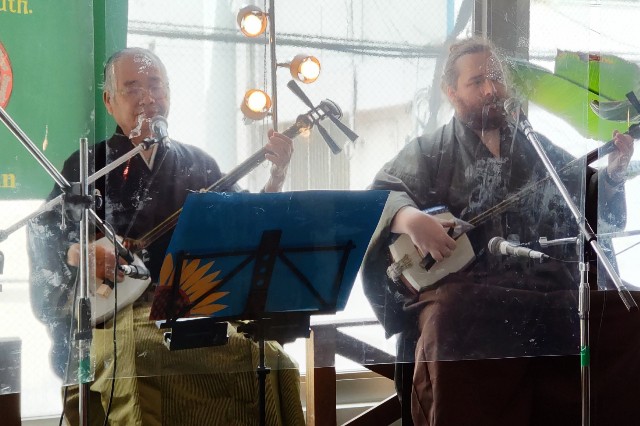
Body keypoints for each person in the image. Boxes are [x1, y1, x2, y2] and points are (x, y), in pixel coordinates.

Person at [361, 36, 640, 426]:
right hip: (470, 295)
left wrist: (611, 176)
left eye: (496, 78)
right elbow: (379, 197)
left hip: (541, 288)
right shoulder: (429, 151)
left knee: (629, 314)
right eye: (477, 82)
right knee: (450, 314)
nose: (491, 89)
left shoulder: (533, 145)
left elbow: (582, 198)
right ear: (451, 92)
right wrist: (410, 219)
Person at [27, 47, 305, 425]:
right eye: (132, 88)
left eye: (155, 86)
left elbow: (248, 227)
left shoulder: (199, 163)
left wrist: (276, 175)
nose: (147, 98)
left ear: (169, 94)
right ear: (109, 101)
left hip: (195, 310)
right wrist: (80, 254)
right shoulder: (87, 166)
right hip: (120, 317)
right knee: (143, 358)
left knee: (272, 360)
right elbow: (46, 233)